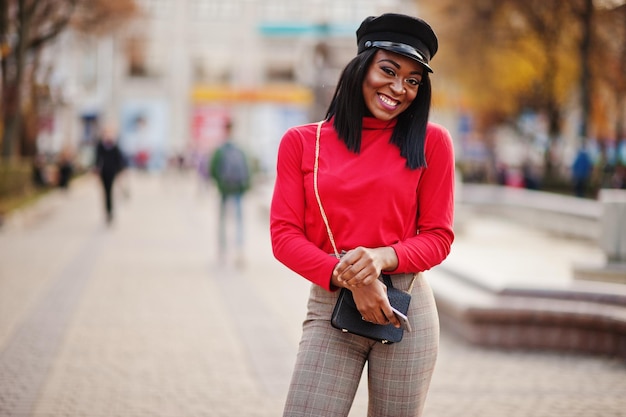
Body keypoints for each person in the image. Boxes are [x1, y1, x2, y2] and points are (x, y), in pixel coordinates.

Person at [270, 13, 455, 417]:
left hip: (406, 313)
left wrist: (379, 258)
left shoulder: (432, 142)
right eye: (388, 70)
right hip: (330, 303)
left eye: (412, 80)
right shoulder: (303, 143)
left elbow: (439, 236)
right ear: (360, 67)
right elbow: (284, 237)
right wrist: (351, 278)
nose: (398, 88)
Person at [210, 121, 251, 263]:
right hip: (238, 189)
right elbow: (248, 169)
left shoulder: (220, 150)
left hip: (224, 189)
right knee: (239, 221)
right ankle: (239, 250)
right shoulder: (240, 149)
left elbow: (213, 169)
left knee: (222, 220)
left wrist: (219, 184)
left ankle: (223, 250)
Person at [94, 124, 126, 224]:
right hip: (103, 172)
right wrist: (96, 170)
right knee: (105, 192)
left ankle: (110, 211)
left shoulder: (114, 145)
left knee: (110, 191)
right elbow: (97, 159)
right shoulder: (100, 145)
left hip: (112, 171)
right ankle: (107, 211)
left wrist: (120, 171)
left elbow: (119, 160)